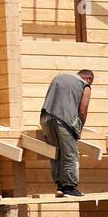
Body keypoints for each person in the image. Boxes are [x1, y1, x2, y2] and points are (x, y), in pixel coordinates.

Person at [39, 69, 94, 197]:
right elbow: (83, 110)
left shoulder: (59, 78)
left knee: (56, 153)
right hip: (64, 119)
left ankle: (60, 186)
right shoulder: (84, 85)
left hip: (46, 118)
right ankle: (69, 187)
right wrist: (78, 128)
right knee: (70, 154)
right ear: (89, 79)